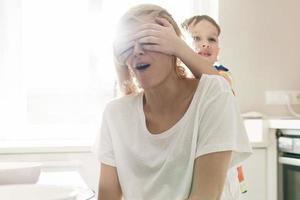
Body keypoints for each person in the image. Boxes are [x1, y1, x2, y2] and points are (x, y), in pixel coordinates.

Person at [96, 4, 252, 200]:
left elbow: (204, 196)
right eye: (127, 44)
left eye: (149, 40)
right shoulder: (115, 114)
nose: (137, 51)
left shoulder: (213, 94)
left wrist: (179, 46)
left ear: (173, 45)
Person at [182, 15, 247, 193]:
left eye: (212, 39)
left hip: (220, 159)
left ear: (218, 50)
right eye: (196, 38)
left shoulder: (222, 76)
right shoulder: (179, 80)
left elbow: (213, 81)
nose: (205, 44)